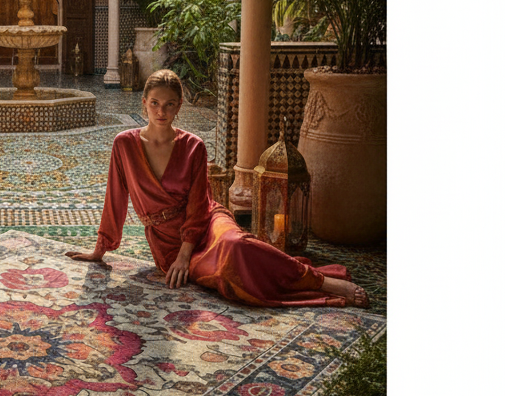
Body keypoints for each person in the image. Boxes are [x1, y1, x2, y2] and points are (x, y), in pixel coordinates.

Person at [66, 69, 368, 308]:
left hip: (205, 222)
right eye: (155, 103)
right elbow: (115, 198)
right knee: (226, 277)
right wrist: (100, 249)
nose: (161, 111)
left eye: (170, 104)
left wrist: (186, 254)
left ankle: (321, 282)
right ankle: (295, 277)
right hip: (165, 241)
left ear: (179, 107)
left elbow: (199, 204)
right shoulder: (124, 144)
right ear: (143, 103)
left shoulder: (193, 146)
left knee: (236, 245)